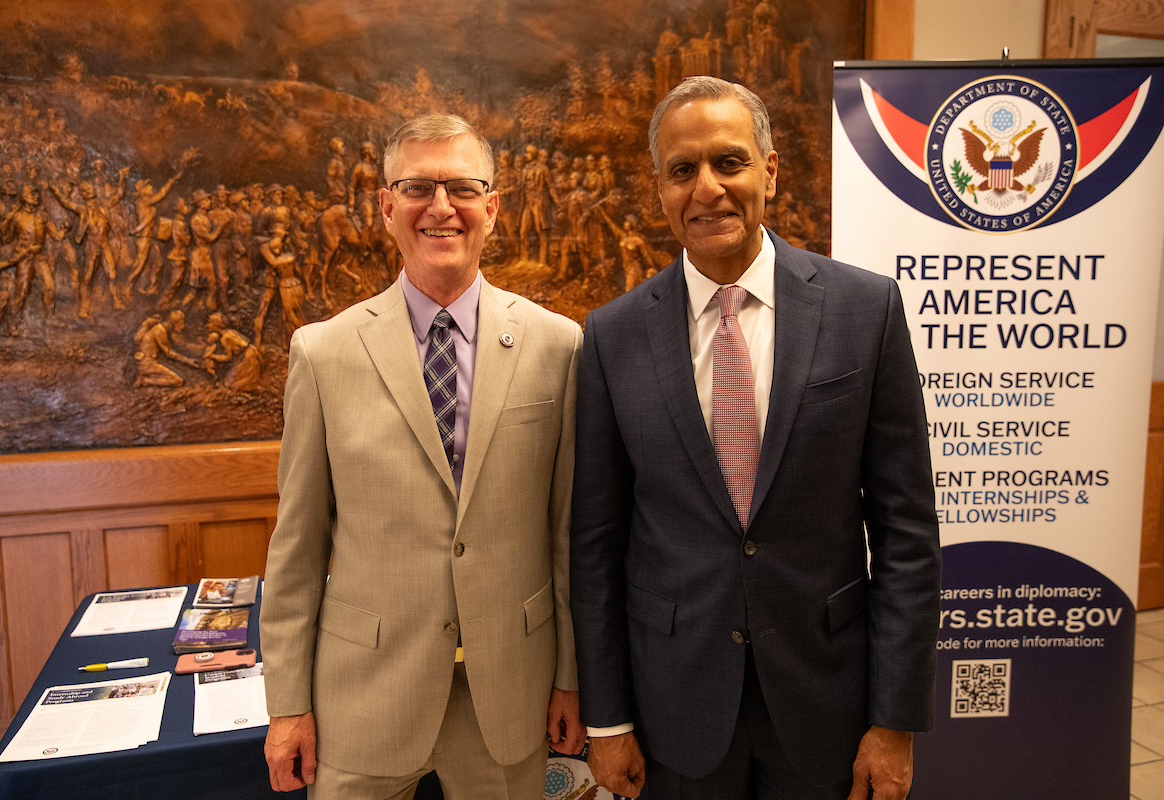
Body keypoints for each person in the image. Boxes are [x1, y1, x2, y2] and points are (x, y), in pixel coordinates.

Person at [569, 76, 940, 800]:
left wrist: (895, 720)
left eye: (729, 162)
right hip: (672, 714)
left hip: (827, 704)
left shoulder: (865, 310)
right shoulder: (612, 336)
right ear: (660, 189)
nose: (707, 188)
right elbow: (596, 543)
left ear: (770, 169)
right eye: (683, 170)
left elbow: (906, 531)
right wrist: (606, 720)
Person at [260, 113, 585, 799]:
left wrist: (572, 677)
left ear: (491, 208)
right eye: (417, 187)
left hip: (511, 693)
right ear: (386, 207)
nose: (442, 207)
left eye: (462, 187)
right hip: (364, 699)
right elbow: (296, 549)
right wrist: (287, 703)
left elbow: (568, 537)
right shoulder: (323, 353)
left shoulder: (559, 347)